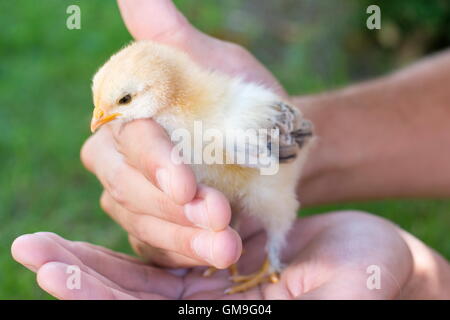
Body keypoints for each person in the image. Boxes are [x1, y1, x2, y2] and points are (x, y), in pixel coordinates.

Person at [11, 0, 450, 299]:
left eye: (122, 102)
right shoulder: (184, 122)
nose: (99, 119)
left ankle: (271, 260)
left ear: (157, 90)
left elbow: (296, 142)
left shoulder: (236, 125)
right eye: (103, 106)